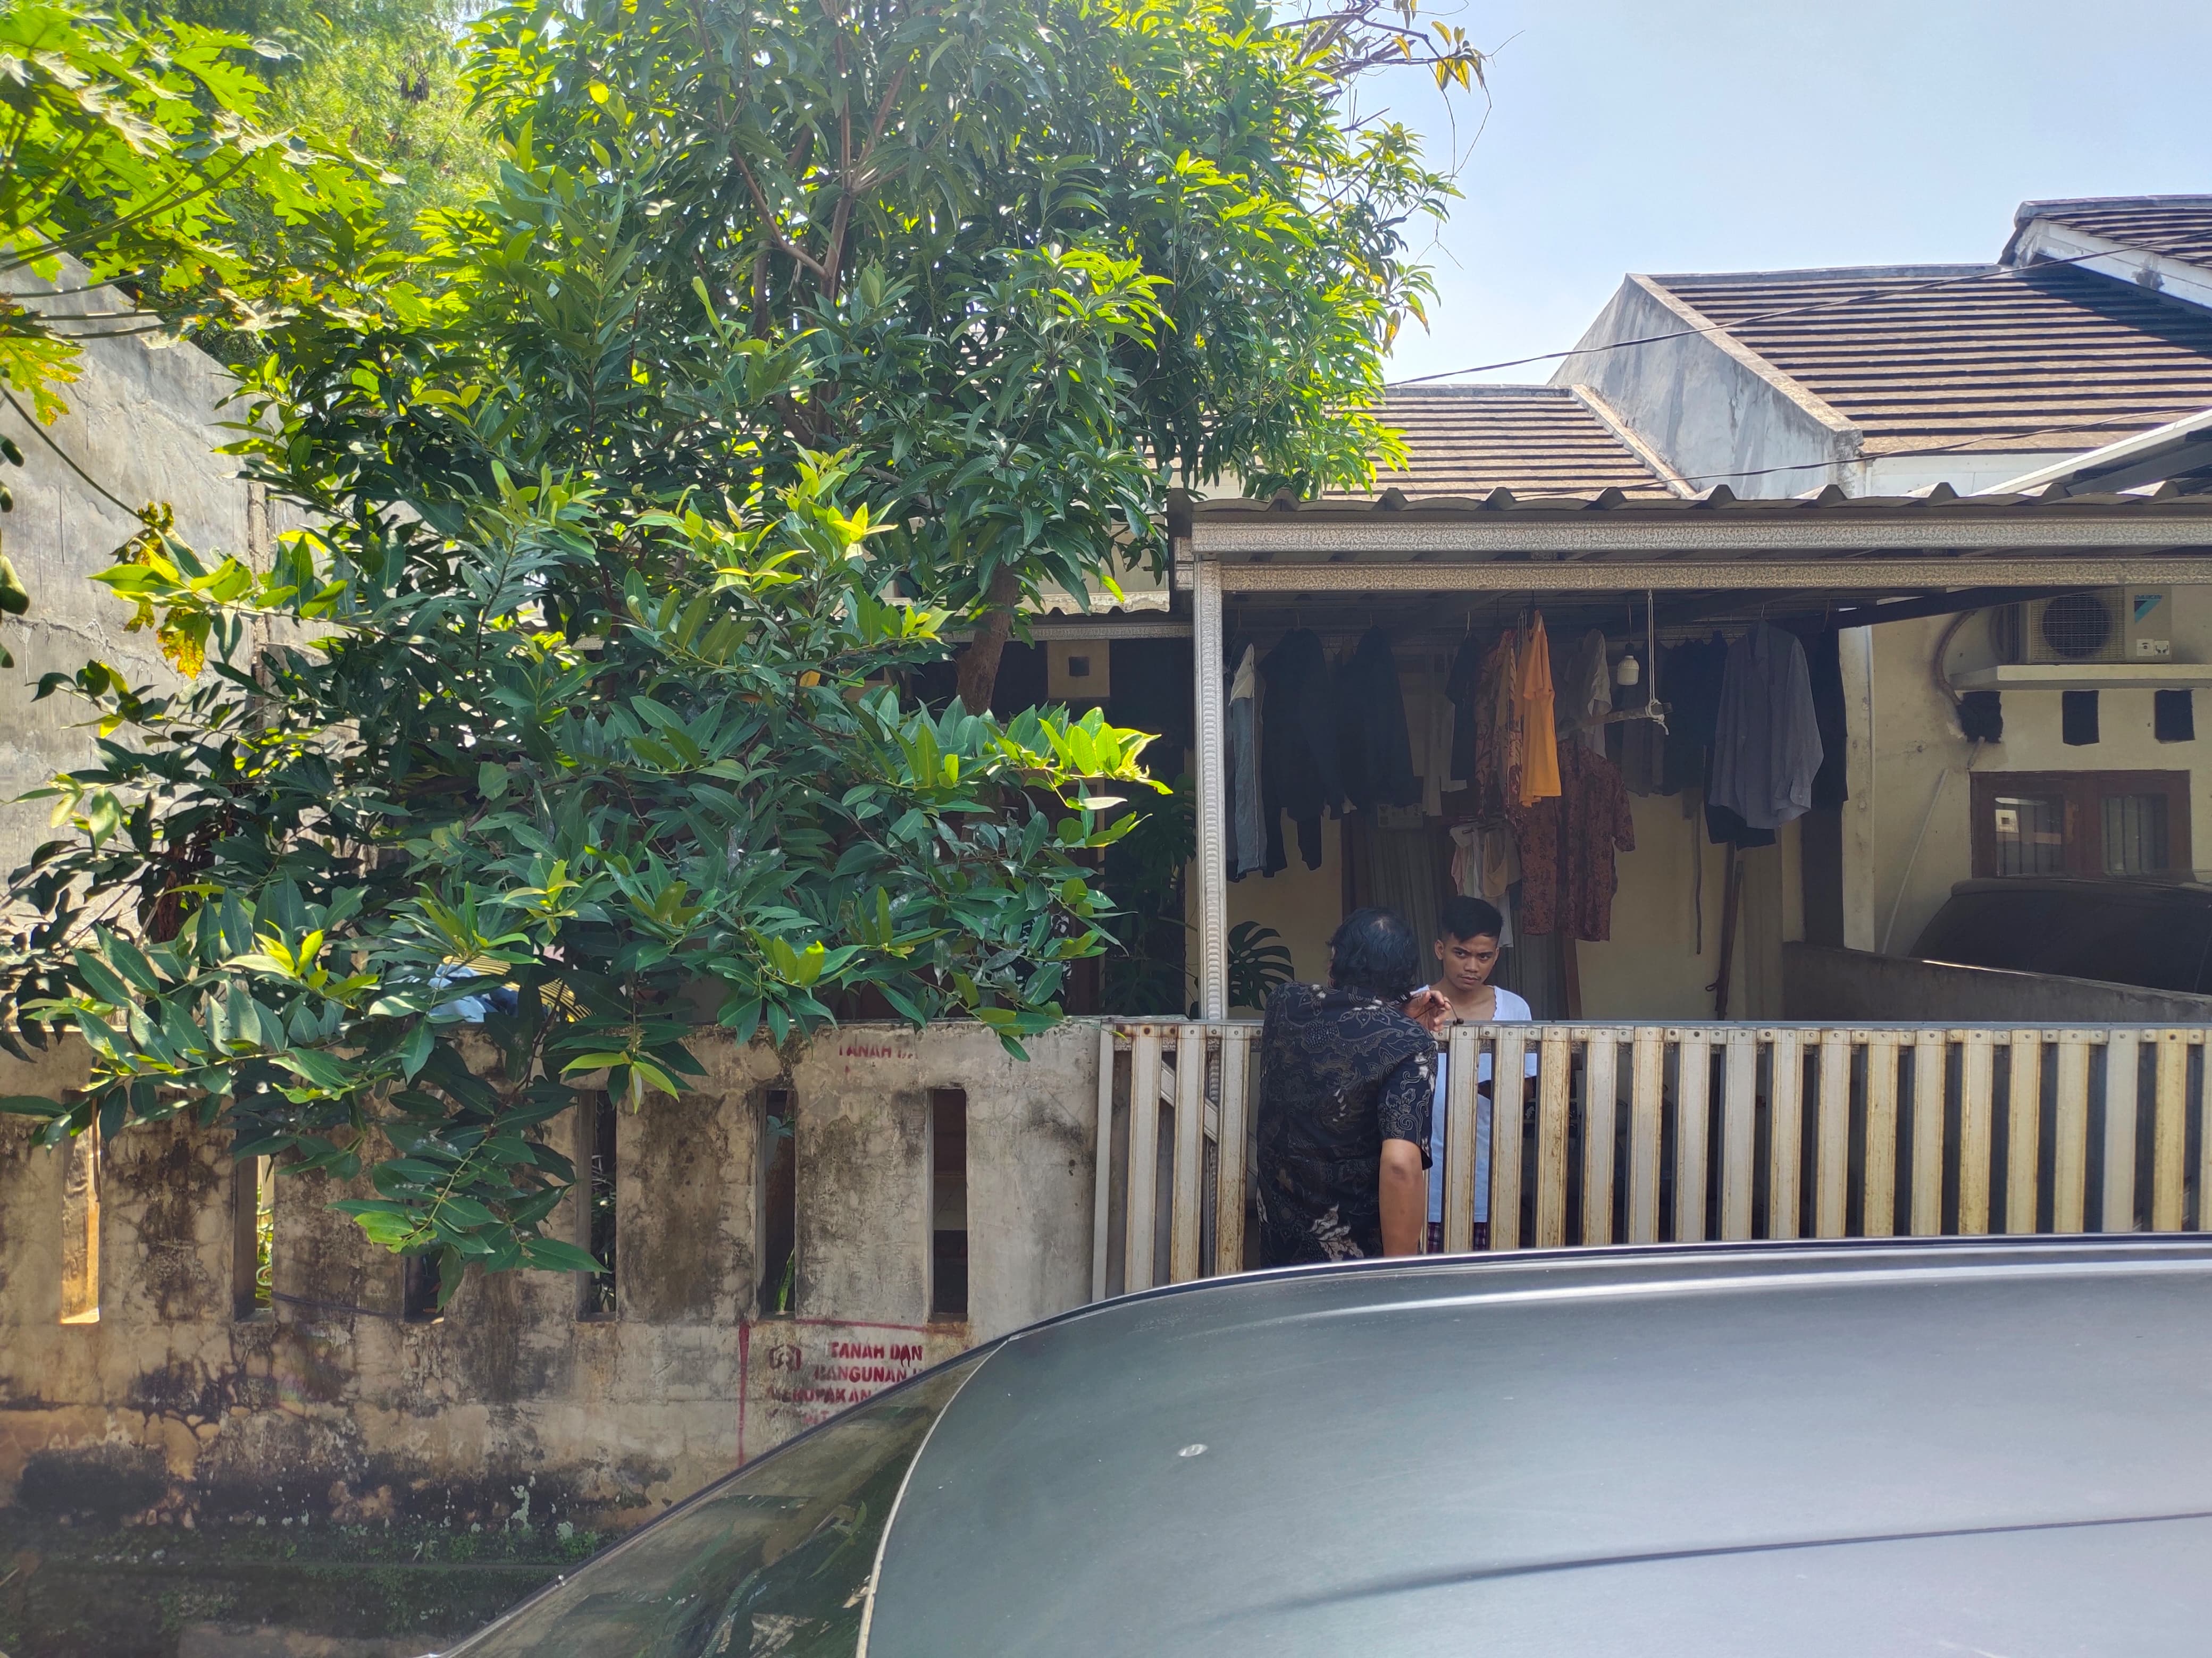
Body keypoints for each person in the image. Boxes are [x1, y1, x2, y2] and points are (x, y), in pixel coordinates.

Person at [1254, 908, 1450, 1265]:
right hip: (1356, 1260)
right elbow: (1400, 1165)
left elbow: (1347, 1025)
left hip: (1280, 1249)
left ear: (1335, 961)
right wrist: (1399, 1272)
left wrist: (1397, 1014)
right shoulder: (1411, 1042)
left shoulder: (1284, 1004)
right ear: (1407, 973)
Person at [1423, 896, 1534, 1253]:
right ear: (1440, 949)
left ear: (1496, 955)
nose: (1472, 966)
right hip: (1423, 1180)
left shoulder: (1514, 1009)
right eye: (1461, 953)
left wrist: (1489, 1089)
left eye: (1483, 957)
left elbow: (1527, 1088)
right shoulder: (1414, 1006)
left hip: (1492, 1177)